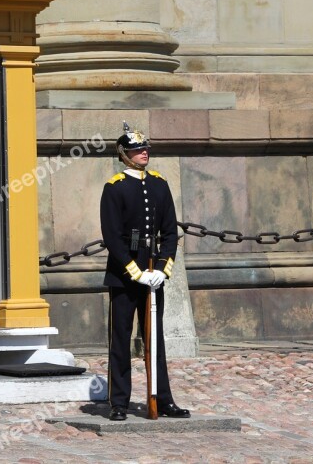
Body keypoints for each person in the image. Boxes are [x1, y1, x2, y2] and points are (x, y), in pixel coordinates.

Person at [99, 122, 191, 421]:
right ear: (124, 155)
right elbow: (112, 236)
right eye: (137, 150)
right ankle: (119, 402)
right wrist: (135, 272)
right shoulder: (115, 187)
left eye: (145, 148)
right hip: (125, 276)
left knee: (155, 339)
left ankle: (163, 399)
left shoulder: (159, 184)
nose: (143, 153)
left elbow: (169, 231)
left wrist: (163, 269)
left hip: (154, 274)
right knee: (121, 339)